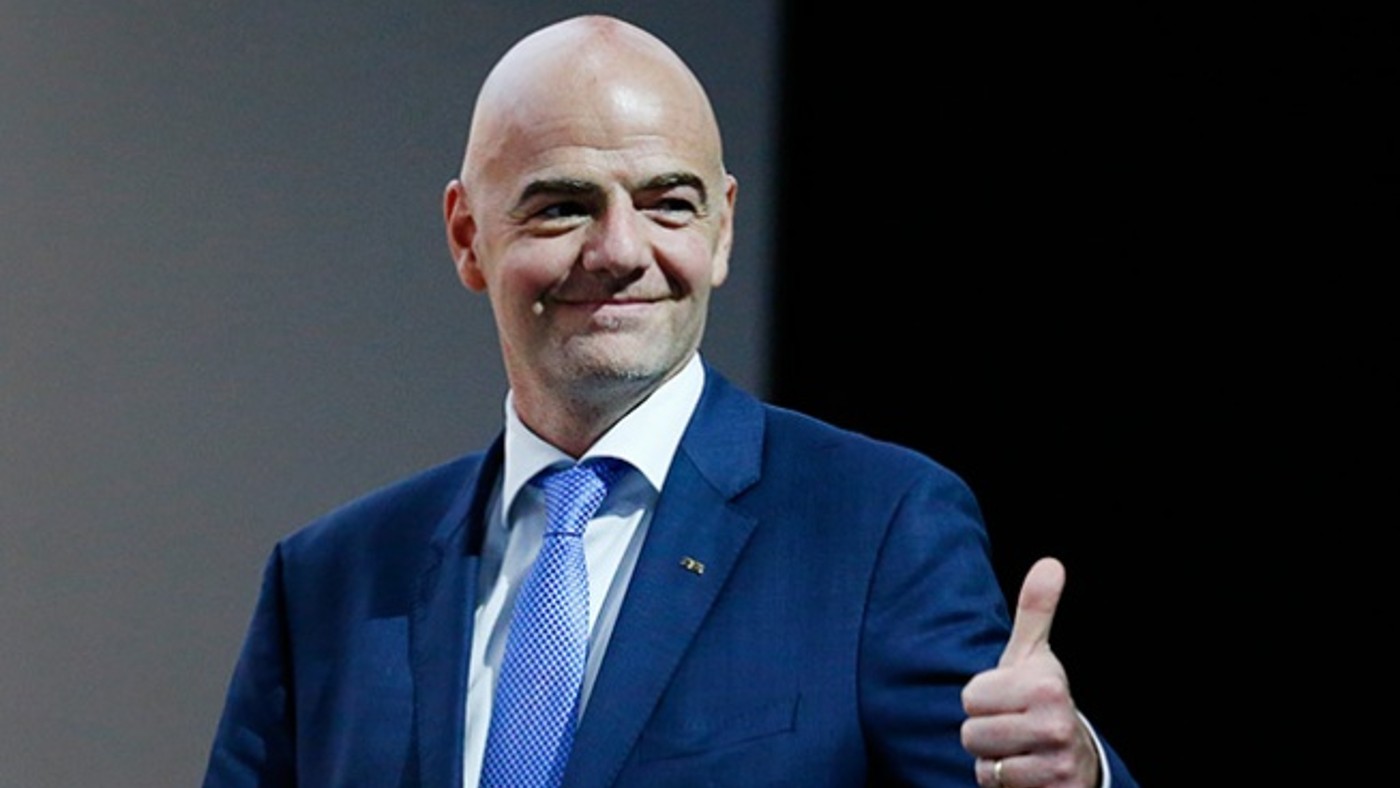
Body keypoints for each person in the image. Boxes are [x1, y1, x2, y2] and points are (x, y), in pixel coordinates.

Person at [204, 14, 1137, 788]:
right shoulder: (329, 582)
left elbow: (1005, 772)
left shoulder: (876, 529)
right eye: (562, 205)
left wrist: (1074, 779)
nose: (619, 250)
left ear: (723, 230)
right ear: (467, 236)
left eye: (668, 203)